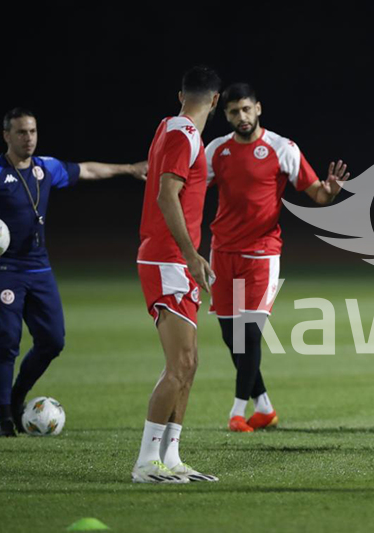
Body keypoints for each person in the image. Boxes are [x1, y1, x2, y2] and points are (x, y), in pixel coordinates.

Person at [0, 108, 146, 438]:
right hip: (3, 270)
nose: (29, 138)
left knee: (53, 341)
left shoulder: (45, 168)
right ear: (7, 136)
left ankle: (16, 398)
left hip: (39, 268)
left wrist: (129, 169)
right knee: (7, 342)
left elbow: (87, 170)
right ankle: (4, 418)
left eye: (33, 131)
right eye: (22, 132)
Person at [204, 83, 349, 433]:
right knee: (231, 337)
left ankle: (238, 412)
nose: (242, 117)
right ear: (225, 115)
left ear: (258, 109)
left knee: (250, 335)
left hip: (262, 254)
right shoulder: (215, 151)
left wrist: (329, 192)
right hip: (222, 253)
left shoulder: (282, 148)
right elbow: (193, 188)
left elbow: (317, 194)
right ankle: (265, 407)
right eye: (234, 112)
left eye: (246, 109)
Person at [132, 66, 221, 484]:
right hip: (168, 260)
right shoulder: (183, 134)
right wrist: (191, 254)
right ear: (216, 100)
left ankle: (171, 455)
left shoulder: (172, 126)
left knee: (191, 362)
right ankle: (146, 462)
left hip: (173, 260)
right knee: (179, 362)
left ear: (180, 93)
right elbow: (167, 193)